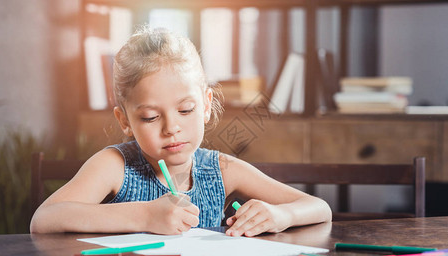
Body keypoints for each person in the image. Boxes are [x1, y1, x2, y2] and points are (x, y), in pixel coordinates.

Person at [30, 27, 331, 236]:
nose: (171, 128)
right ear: (125, 121)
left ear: (206, 105)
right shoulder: (114, 167)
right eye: (149, 117)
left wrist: (280, 216)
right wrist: (144, 216)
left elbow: (318, 208)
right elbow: (44, 220)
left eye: (185, 110)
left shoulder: (220, 170)